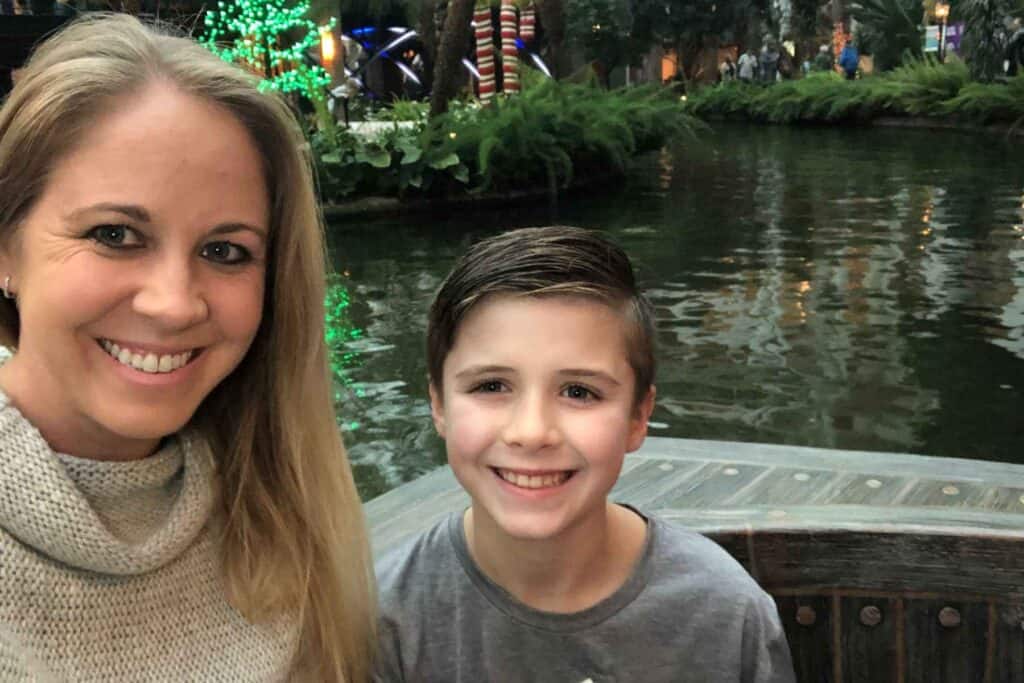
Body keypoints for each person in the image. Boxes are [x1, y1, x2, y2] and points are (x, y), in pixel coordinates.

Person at [0, 13, 375, 681]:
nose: (175, 303)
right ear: (7, 249)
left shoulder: (279, 503)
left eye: (224, 251)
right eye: (115, 234)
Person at [374, 226, 797, 682]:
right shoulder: (385, 619)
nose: (532, 432)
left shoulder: (727, 615)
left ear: (638, 416)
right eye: (491, 386)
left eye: (579, 391)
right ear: (439, 405)